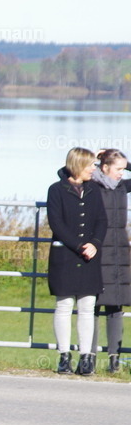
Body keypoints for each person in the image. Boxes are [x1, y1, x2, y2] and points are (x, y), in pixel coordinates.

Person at [47, 147, 108, 375]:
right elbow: (56, 223)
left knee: (87, 307)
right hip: (65, 255)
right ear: (78, 166)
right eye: (91, 165)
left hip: (91, 256)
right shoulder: (56, 190)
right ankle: (64, 356)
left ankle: (86, 358)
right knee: (63, 306)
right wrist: (78, 246)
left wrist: (95, 243)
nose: (94, 169)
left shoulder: (95, 190)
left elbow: (102, 221)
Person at [89, 149, 131, 373]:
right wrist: (95, 159)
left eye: (124, 170)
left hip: (120, 254)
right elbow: (63, 172)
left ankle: (114, 359)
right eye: (118, 169)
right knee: (93, 305)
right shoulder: (91, 185)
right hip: (97, 252)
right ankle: (90, 356)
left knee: (116, 307)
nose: (121, 174)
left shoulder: (123, 187)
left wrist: (126, 163)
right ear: (104, 168)